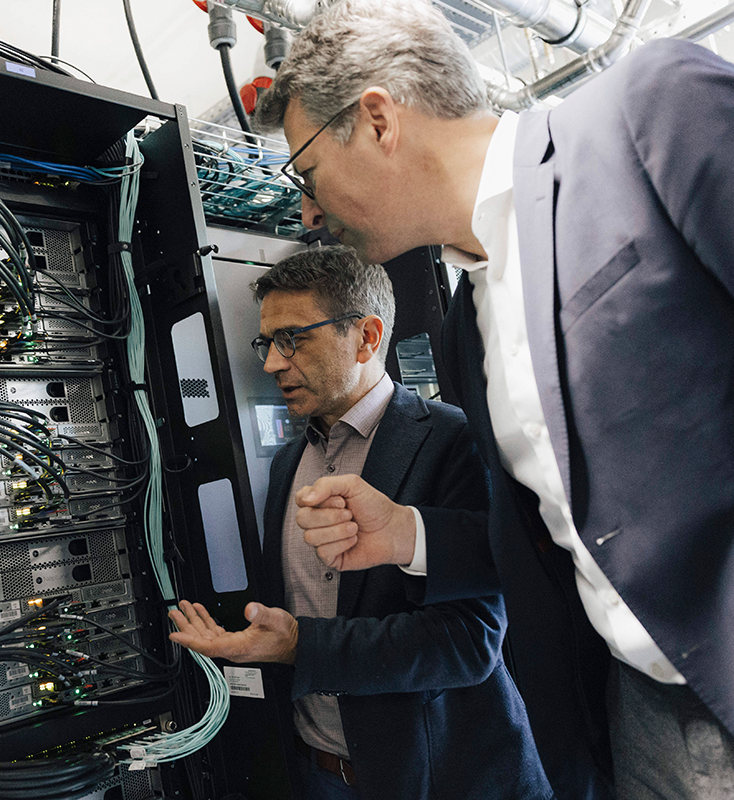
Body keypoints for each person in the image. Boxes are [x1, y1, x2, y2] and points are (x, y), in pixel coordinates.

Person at [251, 1, 734, 799]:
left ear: (378, 120)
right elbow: (554, 539)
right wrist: (408, 533)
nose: (308, 210)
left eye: (307, 174)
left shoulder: (651, 114)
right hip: (632, 717)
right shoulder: (468, 325)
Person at [168, 246, 551, 800]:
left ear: (367, 337)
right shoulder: (287, 464)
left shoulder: (452, 441)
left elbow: (468, 643)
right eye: (266, 343)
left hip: (439, 777)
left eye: (291, 339)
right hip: (317, 772)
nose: (272, 363)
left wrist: (301, 646)